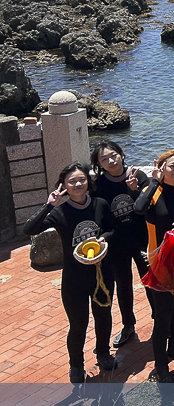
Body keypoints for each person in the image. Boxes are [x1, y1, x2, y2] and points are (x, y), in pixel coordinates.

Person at [24, 163, 117, 383]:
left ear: (88, 181)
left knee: (103, 316)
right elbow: (29, 230)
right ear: (64, 185)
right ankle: (76, 365)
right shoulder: (59, 212)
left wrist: (104, 238)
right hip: (74, 278)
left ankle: (103, 353)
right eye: (72, 181)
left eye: (81, 180)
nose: (78, 184)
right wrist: (49, 204)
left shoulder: (99, 204)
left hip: (101, 273)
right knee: (78, 324)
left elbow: (112, 228)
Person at [133, 151, 174, 383]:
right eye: (171, 166)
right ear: (161, 168)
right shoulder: (153, 191)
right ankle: (161, 364)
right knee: (163, 315)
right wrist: (153, 181)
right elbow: (139, 208)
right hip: (158, 261)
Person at [90, 140, 151, 349]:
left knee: (151, 280)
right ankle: (128, 325)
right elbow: (97, 215)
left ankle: (160, 320)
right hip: (116, 242)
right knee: (123, 285)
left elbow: (145, 207)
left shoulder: (139, 175)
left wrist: (135, 191)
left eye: (113, 155)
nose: (110, 161)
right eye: (104, 159)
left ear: (121, 154)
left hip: (142, 238)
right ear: (99, 164)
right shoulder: (98, 186)